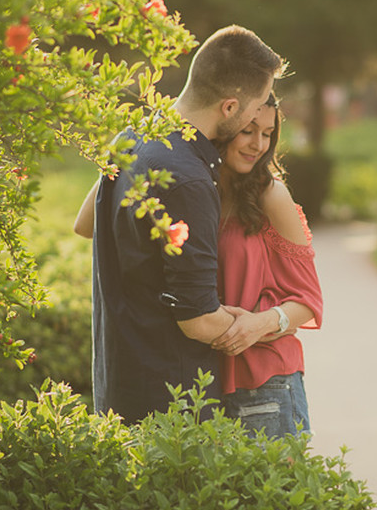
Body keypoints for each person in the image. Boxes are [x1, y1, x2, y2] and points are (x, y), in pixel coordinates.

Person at [73, 25, 285, 424]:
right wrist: (254, 323)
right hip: (173, 412)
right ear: (229, 107)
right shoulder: (187, 177)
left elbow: (86, 224)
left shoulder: (131, 139)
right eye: (254, 106)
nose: (256, 117)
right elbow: (199, 320)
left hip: (117, 391)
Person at [209, 95, 323, 438]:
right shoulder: (198, 190)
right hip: (203, 383)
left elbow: (309, 300)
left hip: (266, 382)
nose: (258, 144)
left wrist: (258, 325)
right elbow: (85, 226)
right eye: (248, 130)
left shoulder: (271, 197)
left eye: (267, 134)